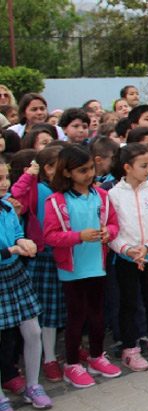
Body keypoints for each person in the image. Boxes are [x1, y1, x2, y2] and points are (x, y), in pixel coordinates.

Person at [43, 145, 122, 388]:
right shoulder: (56, 201)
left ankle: (97, 356)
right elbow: (50, 236)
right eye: (82, 170)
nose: (89, 174)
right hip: (72, 269)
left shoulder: (102, 196)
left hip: (97, 265)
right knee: (76, 317)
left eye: (90, 169)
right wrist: (78, 236)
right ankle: (72, 364)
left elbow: (113, 224)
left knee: (97, 315)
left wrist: (107, 233)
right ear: (66, 173)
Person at [107, 143, 148, 371]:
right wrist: (127, 249)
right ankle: (130, 349)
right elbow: (111, 229)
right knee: (129, 304)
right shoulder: (113, 195)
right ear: (127, 167)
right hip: (127, 259)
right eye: (143, 166)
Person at [11, 147, 67, 382]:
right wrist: (30, 175)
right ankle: (48, 358)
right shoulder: (41, 190)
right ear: (48, 168)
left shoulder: (64, 190)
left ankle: (54, 354)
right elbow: (19, 197)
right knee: (45, 311)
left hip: (64, 252)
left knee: (58, 309)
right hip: (44, 255)